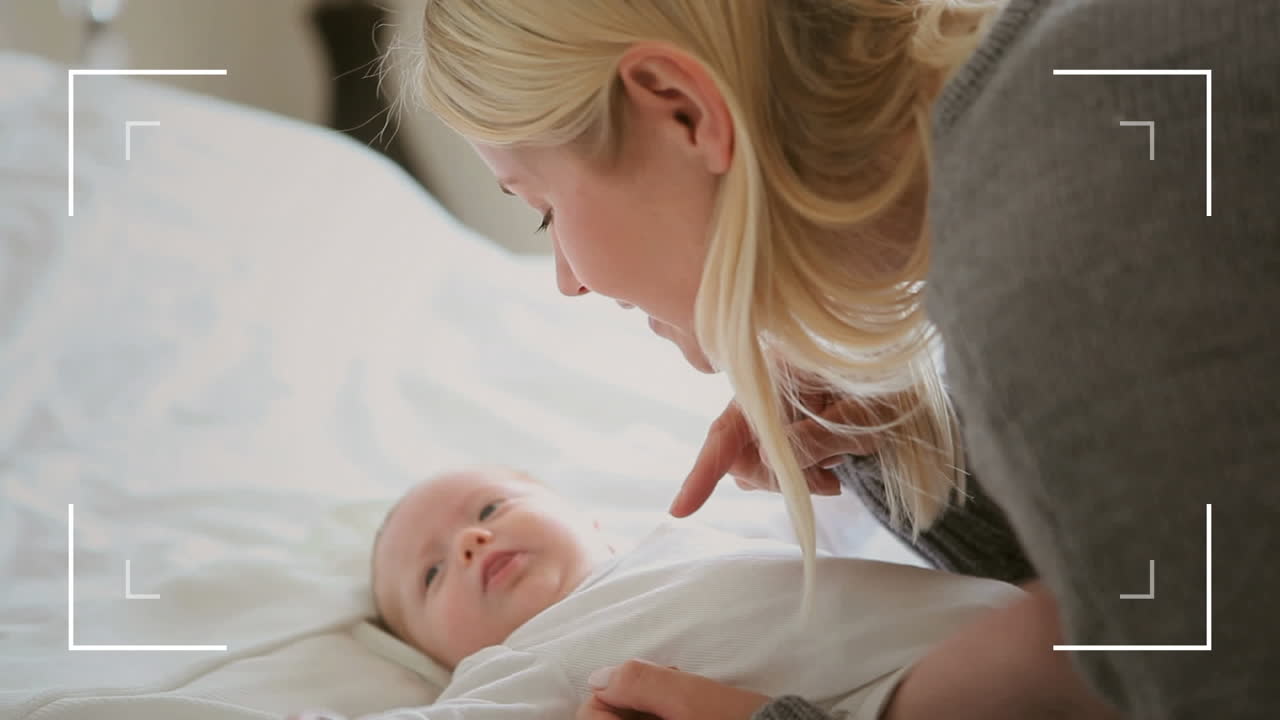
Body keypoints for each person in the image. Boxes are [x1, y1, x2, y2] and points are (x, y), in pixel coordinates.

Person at [409, 0, 1279, 718]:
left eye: (540, 208)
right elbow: (1138, 606)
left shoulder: (1049, 248)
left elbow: (1211, 675)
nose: (565, 280)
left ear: (681, 108)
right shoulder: (1086, 92)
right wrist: (907, 437)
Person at [296, 465, 1024, 720]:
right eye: (430, 576)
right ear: (445, 657)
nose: (470, 542)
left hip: (984, 618)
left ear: (592, 520)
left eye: (489, 510)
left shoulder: (698, 530)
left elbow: (841, 516)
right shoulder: (524, 664)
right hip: (905, 691)